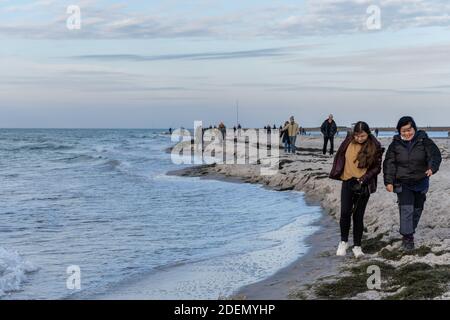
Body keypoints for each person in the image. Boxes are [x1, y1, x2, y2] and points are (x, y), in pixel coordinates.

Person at [383, 116, 442, 251]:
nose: (406, 133)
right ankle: (408, 238)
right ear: (399, 131)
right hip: (402, 183)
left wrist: (432, 168)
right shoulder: (395, 145)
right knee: (406, 209)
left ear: (414, 128)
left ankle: (409, 230)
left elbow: (435, 155)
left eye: (409, 130)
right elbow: (389, 164)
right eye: (403, 131)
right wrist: (388, 181)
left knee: (417, 209)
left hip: (421, 181)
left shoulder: (424, 141)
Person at [329, 121, 384, 258]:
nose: (359, 139)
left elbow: (377, 168)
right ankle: (343, 242)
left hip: (363, 184)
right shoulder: (348, 141)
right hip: (347, 182)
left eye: (363, 136)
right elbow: (340, 157)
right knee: (345, 213)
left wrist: (363, 179)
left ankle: (357, 246)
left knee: (358, 216)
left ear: (368, 134)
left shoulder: (374, 145)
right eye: (357, 136)